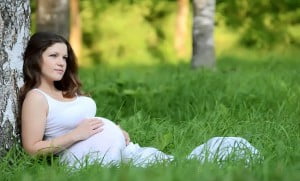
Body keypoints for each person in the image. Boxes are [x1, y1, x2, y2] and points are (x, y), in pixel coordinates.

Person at [20, 32, 260, 168]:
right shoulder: (37, 98)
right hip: (95, 163)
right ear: (35, 59)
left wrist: (114, 129)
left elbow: (83, 121)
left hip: (126, 151)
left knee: (191, 163)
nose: (61, 62)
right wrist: (77, 135)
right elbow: (32, 148)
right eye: (53, 55)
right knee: (188, 167)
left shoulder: (65, 90)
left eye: (64, 56)